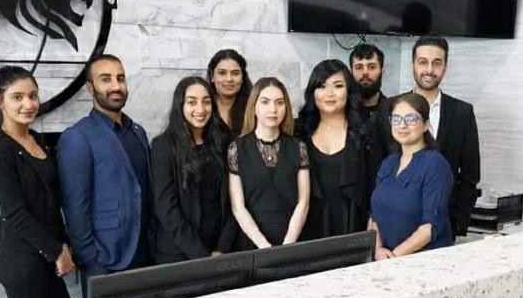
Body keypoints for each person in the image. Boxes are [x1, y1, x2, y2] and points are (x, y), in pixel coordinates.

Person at [57, 54, 154, 298]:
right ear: (90, 88)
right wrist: (92, 260)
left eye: (120, 78)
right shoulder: (77, 137)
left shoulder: (138, 132)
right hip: (106, 261)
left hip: (146, 256)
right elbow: (75, 208)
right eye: (106, 79)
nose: (116, 86)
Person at [0, 66, 76, 298]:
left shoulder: (36, 140)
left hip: (47, 253)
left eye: (33, 96)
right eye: (17, 97)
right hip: (20, 259)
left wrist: (64, 244)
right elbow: (15, 213)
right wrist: (56, 251)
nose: (29, 104)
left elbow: (50, 202)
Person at [380, 36, 480, 239]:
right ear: (413, 65)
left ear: (445, 68)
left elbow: (470, 176)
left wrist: (458, 224)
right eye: (423, 62)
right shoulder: (389, 108)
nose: (429, 70)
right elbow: (377, 166)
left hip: (442, 226)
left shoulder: (462, 112)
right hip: (392, 224)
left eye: (436, 63)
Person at [150, 77, 237, 263]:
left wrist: (222, 247)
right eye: (192, 102)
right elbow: (166, 208)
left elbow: (235, 199)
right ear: (180, 105)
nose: (200, 109)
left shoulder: (224, 142)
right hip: (178, 253)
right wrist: (202, 256)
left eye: (206, 102)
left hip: (221, 249)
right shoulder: (163, 146)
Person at [297, 59, 378, 239]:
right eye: (322, 86)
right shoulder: (299, 132)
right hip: (308, 230)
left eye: (338, 86)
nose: (330, 94)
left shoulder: (366, 130)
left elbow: (377, 185)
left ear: (349, 91)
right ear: (312, 92)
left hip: (354, 227)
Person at [228, 77, 310, 249]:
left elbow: (303, 202)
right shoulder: (237, 148)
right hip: (252, 243)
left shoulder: (298, 147)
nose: (273, 109)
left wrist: (287, 245)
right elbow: (238, 207)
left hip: (292, 241)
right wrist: (264, 246)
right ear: (254, 107)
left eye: (279, 102)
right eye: (265, 102)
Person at [370, 93, 453, 258]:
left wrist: (394, 256)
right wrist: (377, 250)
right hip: (384, 259)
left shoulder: (436, 164)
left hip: (423, 261)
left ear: (425, 125)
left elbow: (430, 226)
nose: (402, 125)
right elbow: (375, 217)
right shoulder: (388, 163)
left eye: (411, 119)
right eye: (396, 119)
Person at [349, 43, 391, 157]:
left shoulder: (393, 111)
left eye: (372, 67)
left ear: (382, 71)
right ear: (351, 73)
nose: (365, 73)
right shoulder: (342, 112)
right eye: (359, 67)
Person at [207, 49, 252, 135]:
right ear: (212, 76)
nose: (229, 79)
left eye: (235, 73)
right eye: (222, 73)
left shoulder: (254, 107)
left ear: (243, 77)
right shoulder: (203, 106)